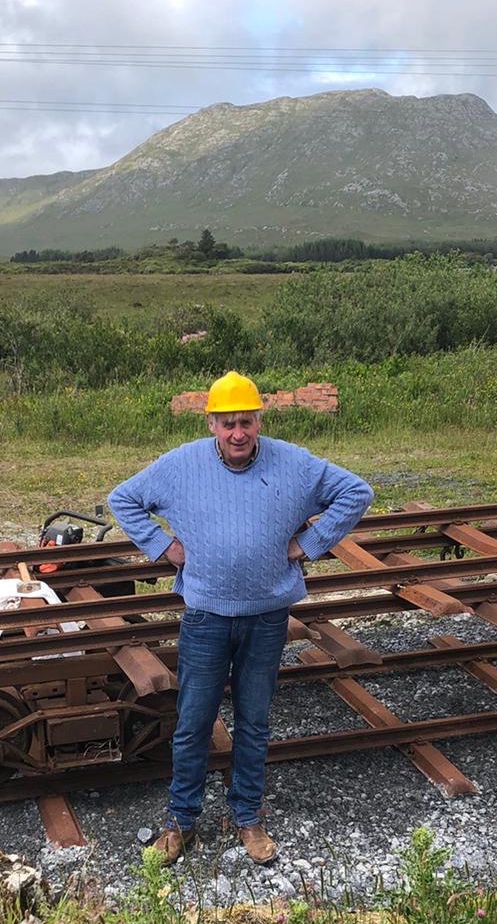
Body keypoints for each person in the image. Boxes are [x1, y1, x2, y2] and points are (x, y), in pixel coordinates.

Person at [109, 371, 373, 865]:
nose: (238, 433)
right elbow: (123, 499)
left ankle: (246, 817)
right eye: (227, 423)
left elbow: (356, 492)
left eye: (246, 423)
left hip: (266, 617)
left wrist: (309, 544)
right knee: (192, 722)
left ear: (258, 421)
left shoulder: (293, 462)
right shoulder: (180, 464)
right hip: (206, 617)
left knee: (253, 722)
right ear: (211, 423)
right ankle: (181, 822)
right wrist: (163, 545)